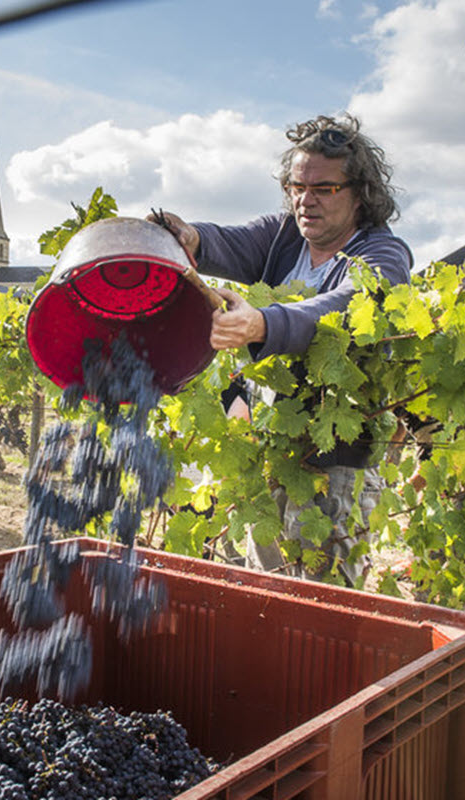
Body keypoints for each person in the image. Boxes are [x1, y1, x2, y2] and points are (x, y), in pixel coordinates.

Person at [153, 113, 413, 587]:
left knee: (324, 594)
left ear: (360, 193)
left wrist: (263, 323)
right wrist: (192, 236)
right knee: (265, 583)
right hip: (269, 445)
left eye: (323, 189)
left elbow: (340, 307)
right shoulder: (284, 236)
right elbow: (228, 241)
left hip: (335, 459)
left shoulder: (383, 257)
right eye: (296, 186)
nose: (304, 200)